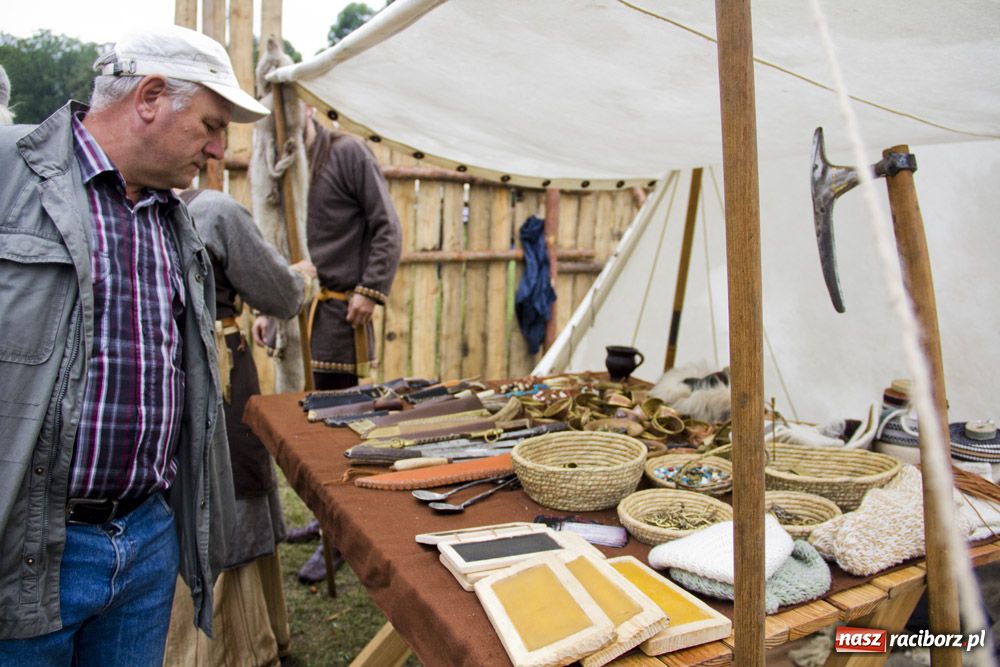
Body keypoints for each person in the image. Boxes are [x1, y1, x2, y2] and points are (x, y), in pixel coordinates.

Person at [0, 24, 269, 666]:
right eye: (209, 124)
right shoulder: (10, 172)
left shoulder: (172, 218)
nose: (215, 150)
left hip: (145, 540)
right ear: (149, 96)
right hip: (33, 545)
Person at [163, 189, 314, 665]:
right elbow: (280, 294)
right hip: (218, 368)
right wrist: (301, 278)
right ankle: (240, 648)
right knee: (235, 483)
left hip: (167, 369)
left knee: (190, 492)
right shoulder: (215, 210)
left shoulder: (138, 208)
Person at [291, 108, 402, 583]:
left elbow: (387, 226)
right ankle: (323, 516)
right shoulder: (289, 167)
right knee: (312, 428)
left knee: (339, 429)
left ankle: (338, 535)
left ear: (309, 107)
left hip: (341, 312)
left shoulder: (348, 152)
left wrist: (369, 288)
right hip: (302, 312)